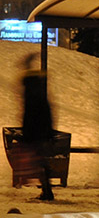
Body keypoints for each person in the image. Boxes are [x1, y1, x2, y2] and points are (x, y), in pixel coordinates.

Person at [20, 53, 56, 201]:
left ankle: (47, 191)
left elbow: (29, 115)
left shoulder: (30, 94)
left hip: (35, 132)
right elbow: (48, 113)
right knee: (40, 161)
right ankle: (47, 190)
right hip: (41, 132)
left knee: (39, 161)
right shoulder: (40, 93)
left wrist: (26, 132)